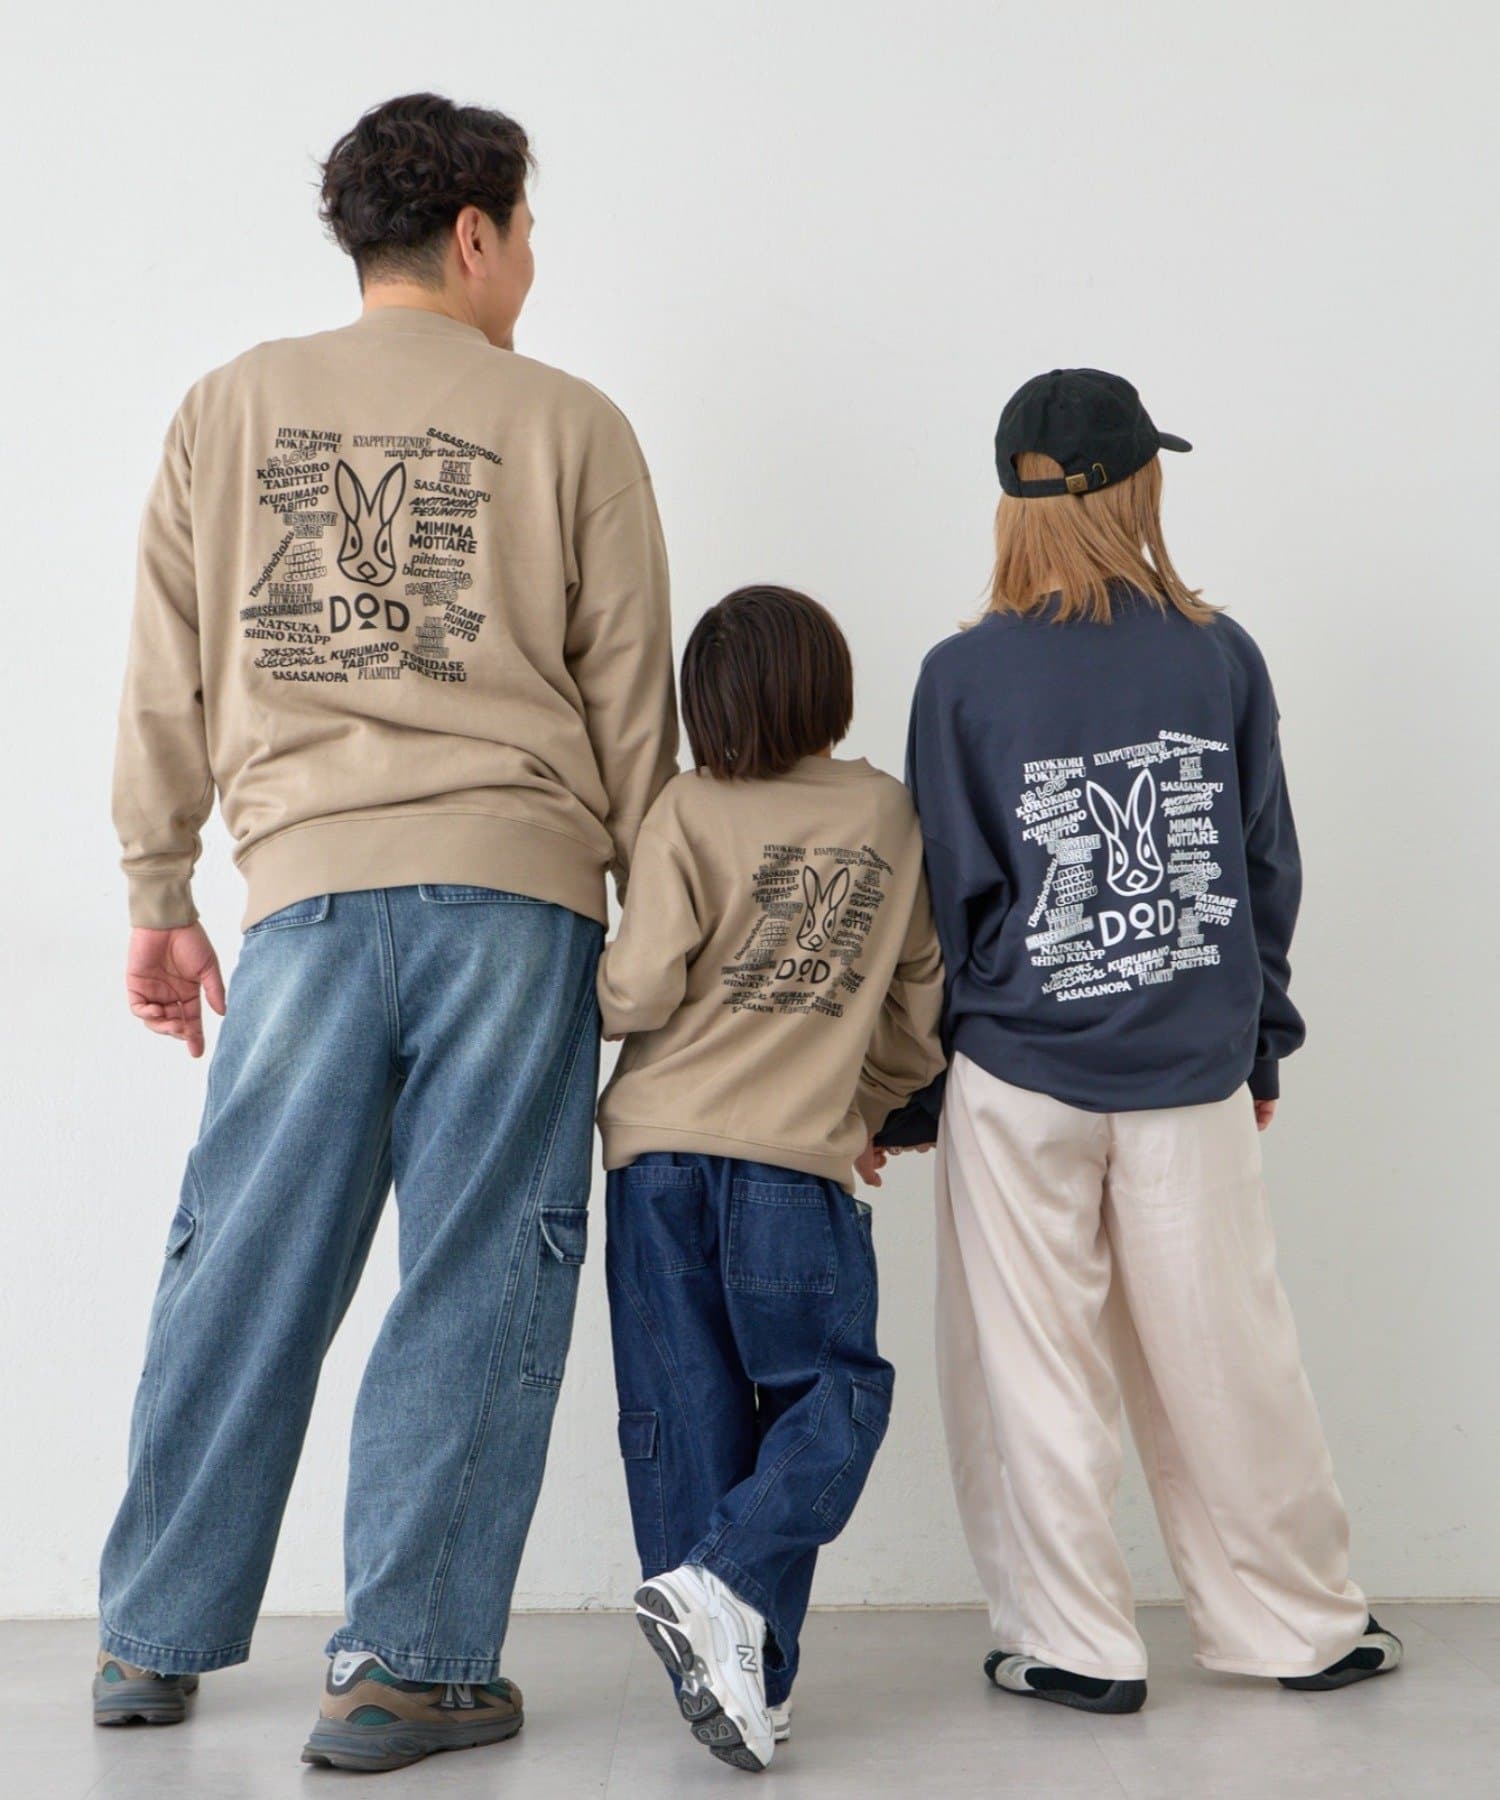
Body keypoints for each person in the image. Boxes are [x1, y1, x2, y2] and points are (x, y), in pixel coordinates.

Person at [96, 92, 677, 1773]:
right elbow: (634, 711)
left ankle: (150, 1639)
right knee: (480, 1269)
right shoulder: (573, 424)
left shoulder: (226, 409)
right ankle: (407, 1669)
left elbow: (163, 671)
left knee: (245, 1258)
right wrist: (660, 941)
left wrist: (159, 894)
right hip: (521, 900)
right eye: (528, 237)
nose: (531, 269)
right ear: (477, 235)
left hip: (305, 899)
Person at [890, 369, 1401, 1714]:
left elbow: (944, 896)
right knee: (1229, 1356)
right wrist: (1262, 1040)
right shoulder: (1218, 655)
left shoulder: (958, 677)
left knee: (1029, 1368)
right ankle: (1298, 1627)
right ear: (1135, 487)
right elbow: (1263, 865)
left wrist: (919, 1084)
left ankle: (1075, 1646)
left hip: (1016, 1073)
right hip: (1189, 1071)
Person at [596, 586, 944, 1771]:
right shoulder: (886, 813)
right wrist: (860, 1105)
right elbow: (918, 1009)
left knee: (684, 1419)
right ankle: (743, 1635)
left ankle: (727, 1631)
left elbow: (640, 989)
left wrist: (578, 985)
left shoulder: (686, 807)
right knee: (831, 1396)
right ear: (829, 684)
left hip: (657, 1163)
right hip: (797, 1169)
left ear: (708, 703)